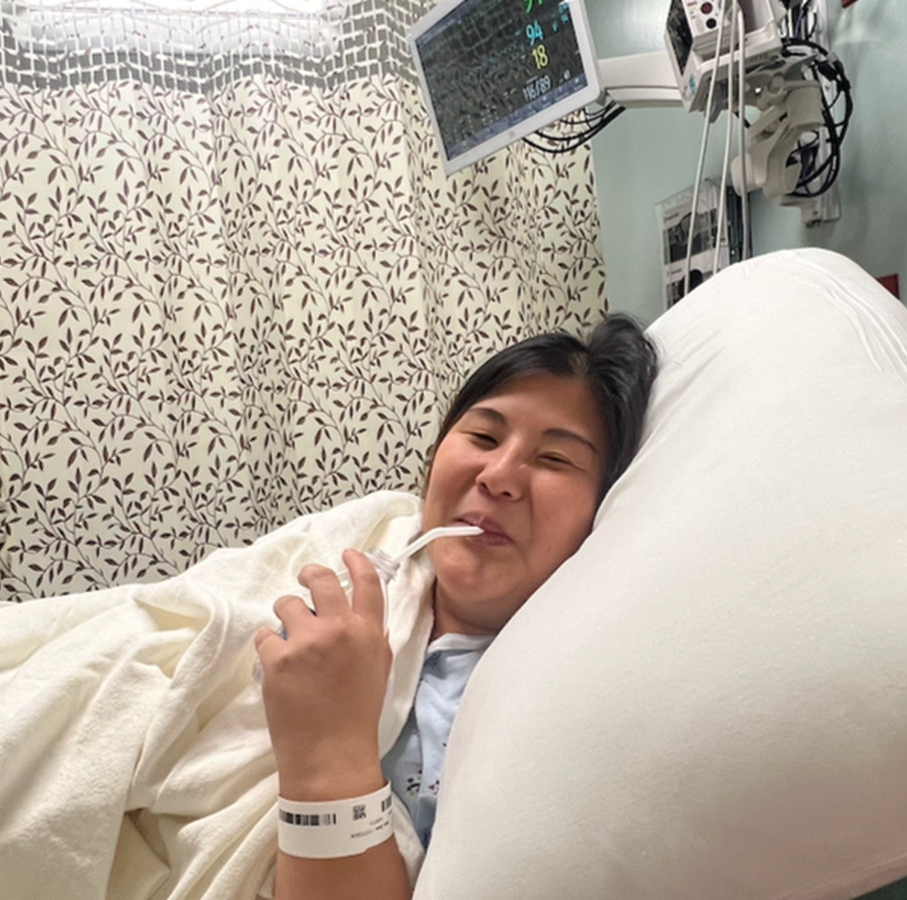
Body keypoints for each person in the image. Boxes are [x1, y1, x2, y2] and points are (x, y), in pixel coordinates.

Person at [252, 314, 659, 900]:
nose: (498, 476)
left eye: (554, 459)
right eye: (484, 438)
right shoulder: (355, 541)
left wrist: (328, 751)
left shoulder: (552, 712)